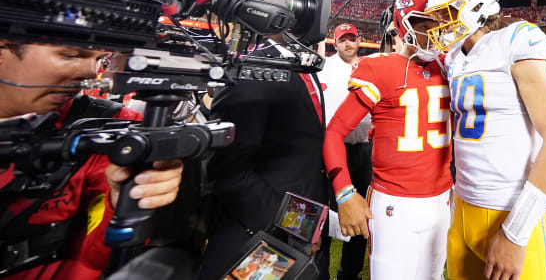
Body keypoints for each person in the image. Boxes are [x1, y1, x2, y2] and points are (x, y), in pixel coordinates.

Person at [423, 0, 546, 280]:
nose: (440, 23)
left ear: (476, 6)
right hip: (462, 207)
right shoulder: (452, 57)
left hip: (510, 212)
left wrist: (515, 234)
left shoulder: (515, 40)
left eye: (448, 12)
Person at [0, 41, 184, 280]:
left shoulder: (110, 127)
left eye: (99, 59)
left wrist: (123, 204)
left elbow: (97, 256)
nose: (90, 71)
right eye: (70, 54)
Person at [324, 0, 453, 280]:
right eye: (425, 25)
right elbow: (334, 132)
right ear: (403, 26)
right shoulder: (379, 68)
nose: (435, 33)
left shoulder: (448, 65)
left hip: (443, 198)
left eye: (439, 25)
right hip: (395, 203)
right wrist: (345, 192)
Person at [201, 36, 330, 280]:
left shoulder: (303, 63)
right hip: (259, 231)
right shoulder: (253, 66)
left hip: (302, 224)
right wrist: (294, 225)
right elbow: (226, 170)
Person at [317, 23, 371, 280]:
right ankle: (320, 272)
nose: (348, 44)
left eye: (352, 39)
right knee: (324, 215)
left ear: (358, 41)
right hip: (331, 149)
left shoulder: (369, 67)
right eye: (343, 40)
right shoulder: (324, 67)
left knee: (361, 215)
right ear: (335, 43)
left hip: (363, 151)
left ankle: (348, 274)